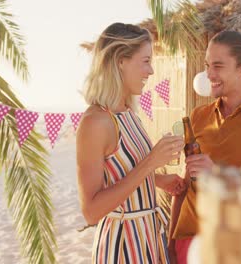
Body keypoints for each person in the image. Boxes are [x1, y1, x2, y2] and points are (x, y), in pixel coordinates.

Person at [168, 30, 241, 264]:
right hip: (189, 241)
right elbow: (185, 184)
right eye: (207, 65)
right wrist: (172, 240)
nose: (209, 74)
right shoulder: (198, 116)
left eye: (218, 66)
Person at [76, 22, 186, 264]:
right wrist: (150, 164)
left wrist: (157, 180)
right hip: (123, 245)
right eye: (145, 61)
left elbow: (117, 175)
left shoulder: (127, 113)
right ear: (120, 61)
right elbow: (91, 211)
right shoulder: (95, 122)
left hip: (147, 237)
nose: (151, 71)